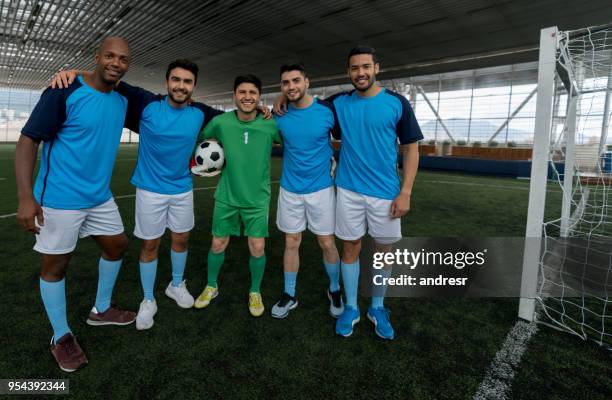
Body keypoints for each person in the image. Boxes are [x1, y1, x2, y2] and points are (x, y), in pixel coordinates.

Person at [275, 45, 422, 339]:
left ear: (376, 68)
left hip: (385, 192)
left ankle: (378, 307)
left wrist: (405, 191)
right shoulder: (337, 105)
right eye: (355, 68)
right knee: (350, 249)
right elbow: (305, 101)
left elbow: (411, 148)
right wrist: (283, 96)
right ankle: (352, 306)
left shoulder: (397, 103)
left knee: (383, 252)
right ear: (349, 72)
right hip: (348, 190)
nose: (361, 73)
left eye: (366, 67)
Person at [15, 37, 135, 372]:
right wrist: (26, 197)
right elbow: (28, 140)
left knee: (117, 245)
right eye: (109, 56)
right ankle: (61, 335)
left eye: (123, 59)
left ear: (128, 65)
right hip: (59, 198)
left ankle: (101, 309)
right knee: (56, 266)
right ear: (96, 56)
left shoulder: (123, 99)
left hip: (99, 197)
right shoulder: (63, 91)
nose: (115, 62)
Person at [194, 75, 281, 317]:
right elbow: (201, 142)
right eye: (242, 92)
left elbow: (294, 142)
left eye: (252, 92)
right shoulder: (220, 122)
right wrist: (205, 165)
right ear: (234, 94)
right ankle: (211, 286)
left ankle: (255, 291)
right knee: (217, 243)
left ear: (259, 97)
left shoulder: (270, 124)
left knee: (257, 246)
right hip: (227, 196)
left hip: (257, 198)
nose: (247, 97)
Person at [270, 63, 343, 319]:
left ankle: (334, 289)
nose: (291, 87)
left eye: (296, 81)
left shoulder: (327, 111)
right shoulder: (278, 113)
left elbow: (350, 136)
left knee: (326, 242)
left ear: (307, 82)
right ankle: (289, 294)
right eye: (285, 83)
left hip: (321, 190)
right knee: (291, 242)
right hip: (290, 190)